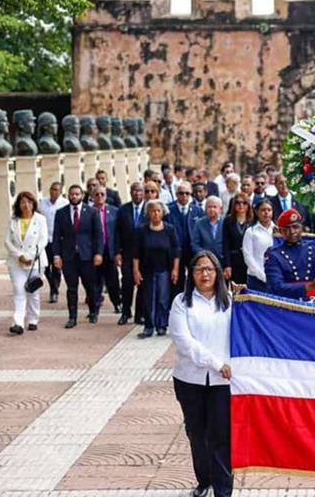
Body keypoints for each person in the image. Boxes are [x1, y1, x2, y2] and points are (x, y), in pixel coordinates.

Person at [170, 250, 234, 497]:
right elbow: (184, 342)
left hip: (222, 382)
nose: (205, 274)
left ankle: (223, 489)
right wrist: (216, 363)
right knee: (196, 433)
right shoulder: (182, 302)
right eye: (199, 269)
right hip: (190, 379)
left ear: (218, 272)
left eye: (209, 269)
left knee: (221, 435)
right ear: (191, 274)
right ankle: (203, 480)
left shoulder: (230, 300)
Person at [52, 185, 103, 328]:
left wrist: (98, 253)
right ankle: (72, 317)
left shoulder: (92, 212)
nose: (74, 196)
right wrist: (57, 255)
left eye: (77, 194)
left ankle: (93, 311)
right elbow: (56, 236)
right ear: (68, 195)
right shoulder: (61, 213)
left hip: (87, 256)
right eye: (71, 194)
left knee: (90, 286)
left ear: (82, 195)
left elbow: (98, 235)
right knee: (71, 288)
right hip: (69, 257)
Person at [265, 208, 315, 300]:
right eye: (287, 228)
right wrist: (307, 286)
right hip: (287, 304)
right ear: (281, 231)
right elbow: (276, 287)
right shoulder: (274, 255)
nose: (292, 231)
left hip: (314, 302)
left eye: (295, 227)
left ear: (302, 227)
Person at [133, 200, 181, 338]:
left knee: (162, 299)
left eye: (158, 210)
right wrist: (136, 271)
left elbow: (176, 251)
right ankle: (149, 326)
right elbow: (136, 253)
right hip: (147, 270)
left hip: (164, 269)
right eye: (153, 211)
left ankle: (161, 325)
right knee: (148, 298)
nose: (155, 213)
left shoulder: (169, 229)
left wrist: (175, 269)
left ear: (163, 212)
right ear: (148, 213)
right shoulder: (141, 230)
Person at [4, 192, 48, 335]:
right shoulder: (13, 220)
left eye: (29, 202)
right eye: (23, 202)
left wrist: (31, 256)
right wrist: (20, 255)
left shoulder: (40, 220)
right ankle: (18, 322)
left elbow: (43, 240)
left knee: (32, 291)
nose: (26, 205)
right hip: (16, 262)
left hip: (35, 262)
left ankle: (33, 319)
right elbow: (7, 241)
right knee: (18, 289)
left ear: (34, 204)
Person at [115, 182, 146, 325]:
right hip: (127, 253)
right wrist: (117, 252)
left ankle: (139, 314)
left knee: (142, 285)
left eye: (140, 191)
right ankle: (125, 312)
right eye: (134, 191)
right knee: (127, 284)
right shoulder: (123, 210)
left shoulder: (149, 209)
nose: (137, 194)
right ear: (130, 192)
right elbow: (117, 232)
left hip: (145, 255)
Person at [167, 182, 205, 296]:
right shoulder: (168, 210)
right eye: (181, 193)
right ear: (176, 194)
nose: (184, 196)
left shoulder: (198, 211)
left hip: (192, 251)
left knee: (195, 279)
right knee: (176, 281)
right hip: (175, 252)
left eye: (187, 193)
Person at [91, 186, 122, 314]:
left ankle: (117, 304)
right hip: (94, 252)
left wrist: (118, 252)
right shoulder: (88, 212)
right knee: (95, 281)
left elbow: (119, 232)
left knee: (112, 281)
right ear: (92, 197)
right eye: (97, 194)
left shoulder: (114, 211)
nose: (99, 197)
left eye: (102, 194)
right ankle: (95, 308)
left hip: (110, 250)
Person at [40, 182, 67, 303]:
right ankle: (53, 284)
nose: (53, 192)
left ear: (61, 191)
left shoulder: (64, 203)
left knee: (56, 267)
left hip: (58, 240)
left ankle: (54, 291)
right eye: (52, 189)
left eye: (56, 190)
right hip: (44, 240)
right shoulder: (42, 203)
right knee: (45, 266)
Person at [242, 199, 275, 291]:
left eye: (269, 210)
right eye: (263, 210)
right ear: (256, 212)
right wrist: (262, 275)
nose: (266, 213)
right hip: (255, 278)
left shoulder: (278, 231)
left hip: (275, 278)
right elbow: (248, 256)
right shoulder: (251, 231)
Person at [222, 193, 252, 284]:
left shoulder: (253, 220)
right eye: (238, 203)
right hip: (234, 261)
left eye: (244, 203)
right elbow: (225, 244)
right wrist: (227, 265)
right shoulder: (228, 220)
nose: (241, 205)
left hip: (250, 261)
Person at [191, 196, 225, 265]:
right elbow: (194, 244)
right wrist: (205, 255)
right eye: (209, 207)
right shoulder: (199, 223)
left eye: (214, 207)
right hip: (205, 261)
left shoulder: (226, 222)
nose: (212, 209)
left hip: (223, 261)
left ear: (220, 209)